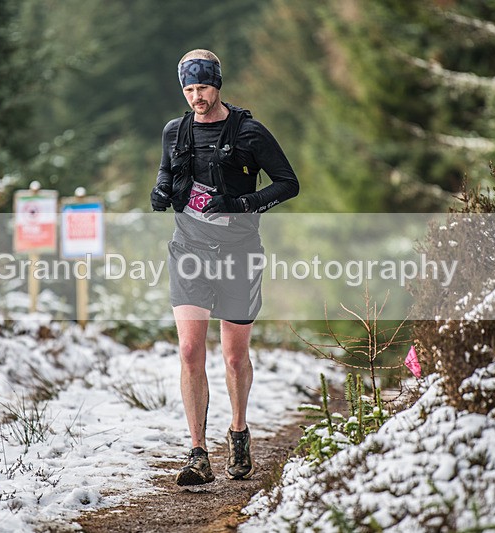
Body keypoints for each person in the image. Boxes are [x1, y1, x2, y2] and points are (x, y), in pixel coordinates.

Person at [152, 49, 299, 486]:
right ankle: (197, 452)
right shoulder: (175, 132)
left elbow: (288, 184)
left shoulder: (249, 132)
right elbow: (166, 172)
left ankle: (238, 433)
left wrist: (240, 203)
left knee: (234, 357)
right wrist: (161, 191)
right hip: (189, 251)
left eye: (204, 88)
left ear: (218, 84)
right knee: (189, 351)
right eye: (190, 89)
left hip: (239, 252)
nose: (197, 97)